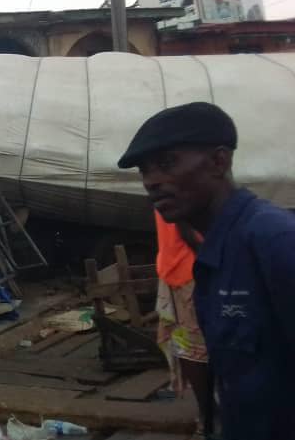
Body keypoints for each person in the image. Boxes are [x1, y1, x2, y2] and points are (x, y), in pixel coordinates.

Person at [119, 101, 295, 439]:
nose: (151, 181)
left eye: (166, 164)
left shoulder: (273, 240)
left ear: (219, 162)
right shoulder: (215, 251)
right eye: (144, 171)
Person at [152, 213, 209, 431]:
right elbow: (189, 231)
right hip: (192, 269)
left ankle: (207, 413)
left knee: (189, 345)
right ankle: (209, 414)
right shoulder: (184, 193)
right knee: (197, 347)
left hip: (175, 266)